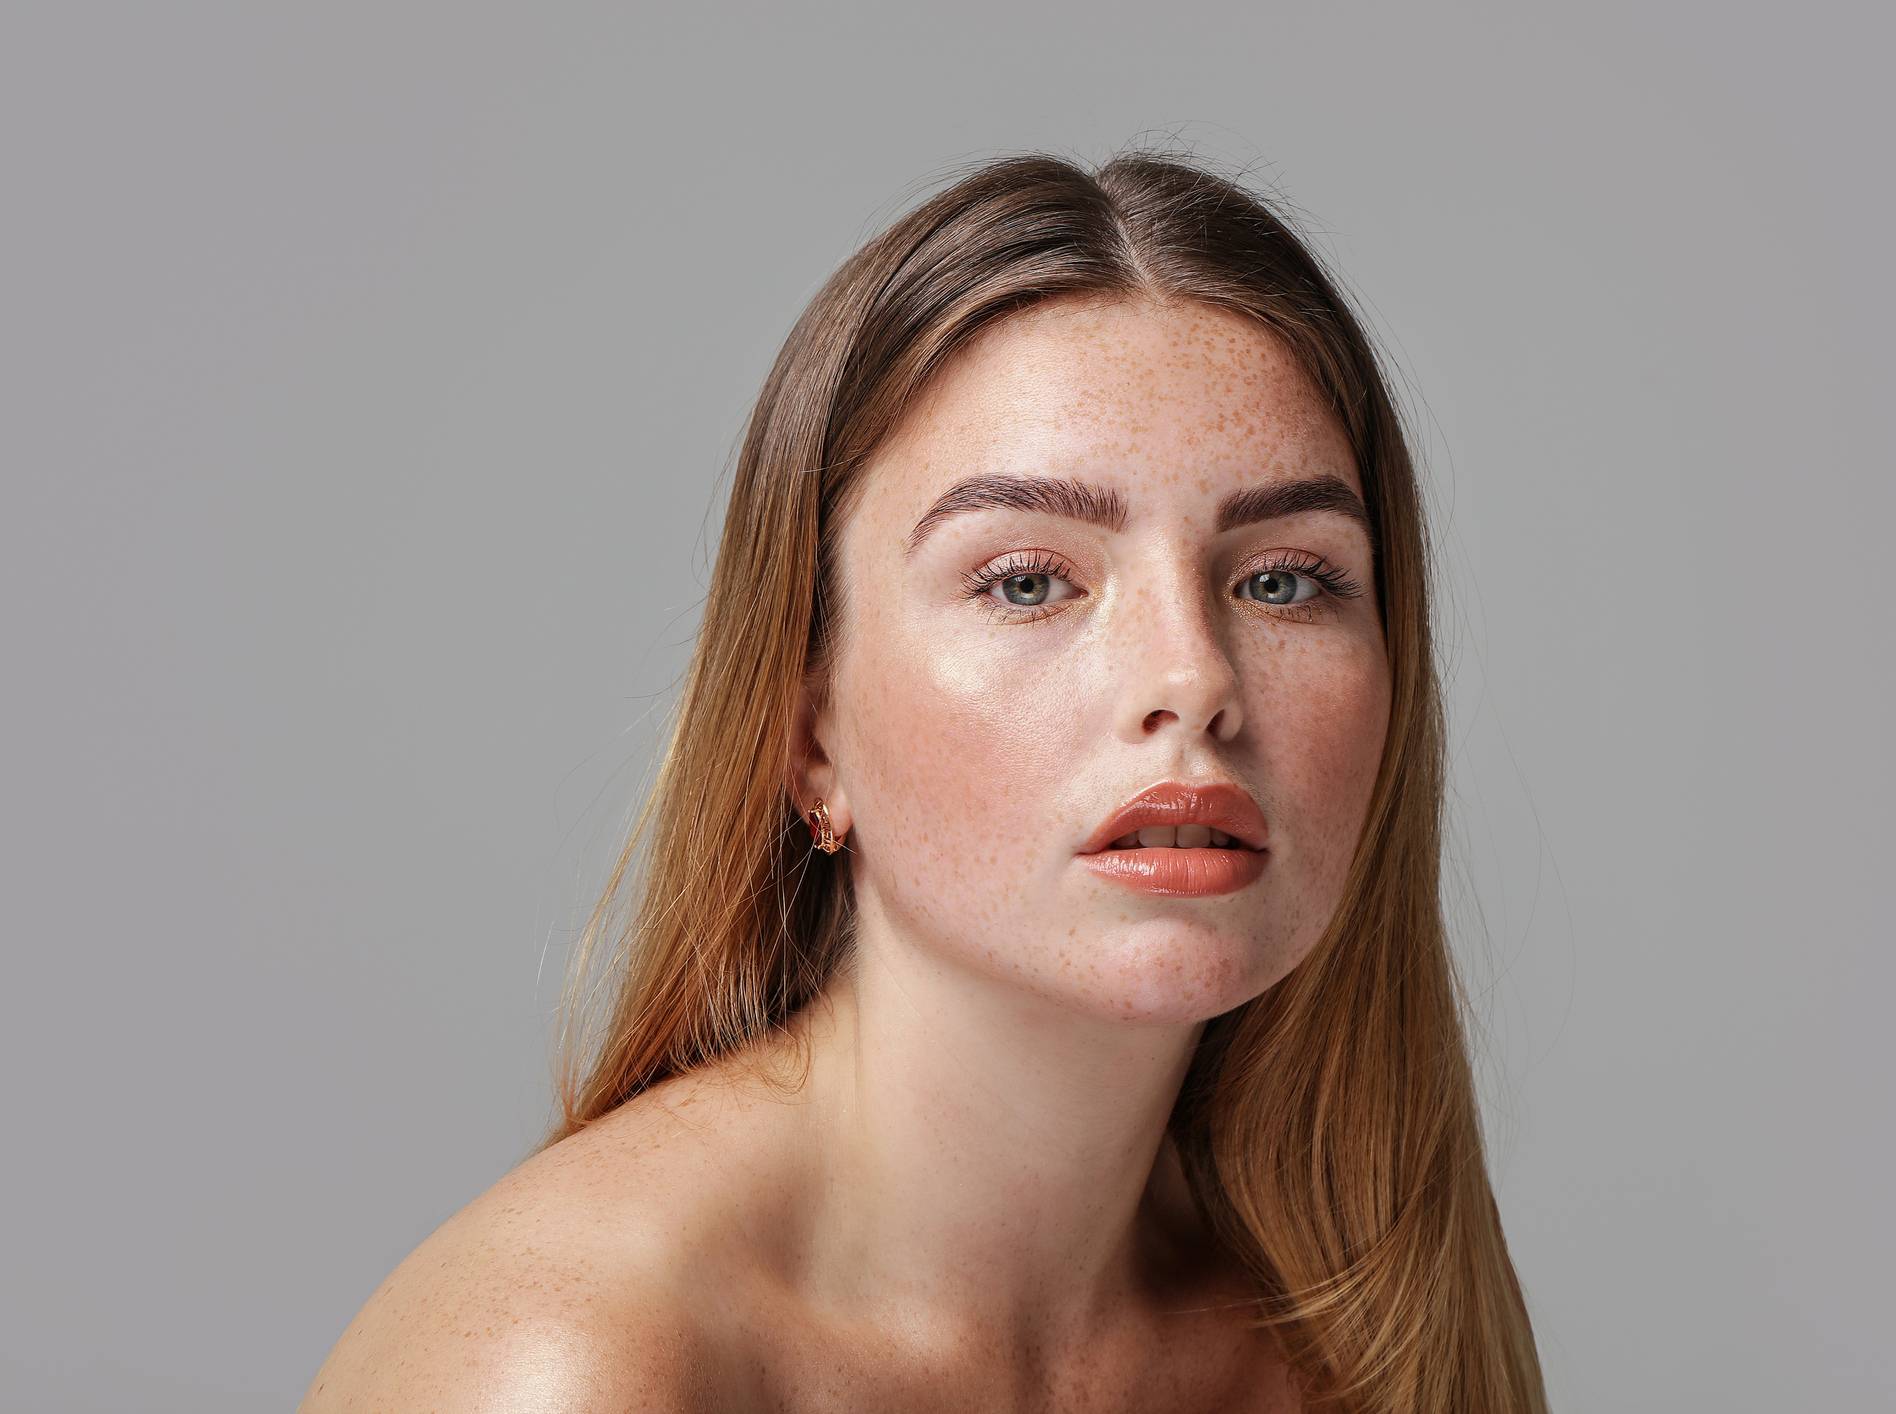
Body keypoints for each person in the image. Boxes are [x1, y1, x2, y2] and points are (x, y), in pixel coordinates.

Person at [300, 153, 1547, 1414]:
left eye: (1283, 580)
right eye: (1027, 581)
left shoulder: (1362, 1326)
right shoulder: (576, 1363)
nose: (1193, 676)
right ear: (809, 736)